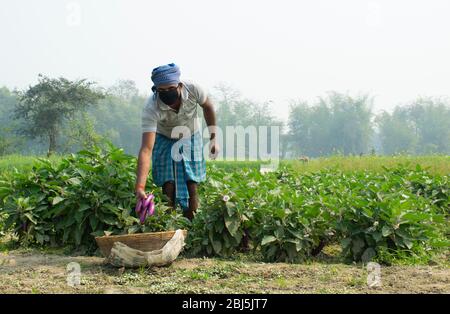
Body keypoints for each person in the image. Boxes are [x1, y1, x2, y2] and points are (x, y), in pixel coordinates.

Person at [135, 63, 219, 220]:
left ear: (179, 85)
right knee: (169, 186)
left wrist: (214, 138)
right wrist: (140, 187)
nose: (167, 93)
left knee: (191, 183)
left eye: (171, 89)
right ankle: (168, 227)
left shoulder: (194, 89)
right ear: (156, 90)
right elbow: (146, 149)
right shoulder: (151, 107)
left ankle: (191, 227)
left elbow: (208, 107)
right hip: (164, 137)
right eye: (162, 91)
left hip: (191, 134)